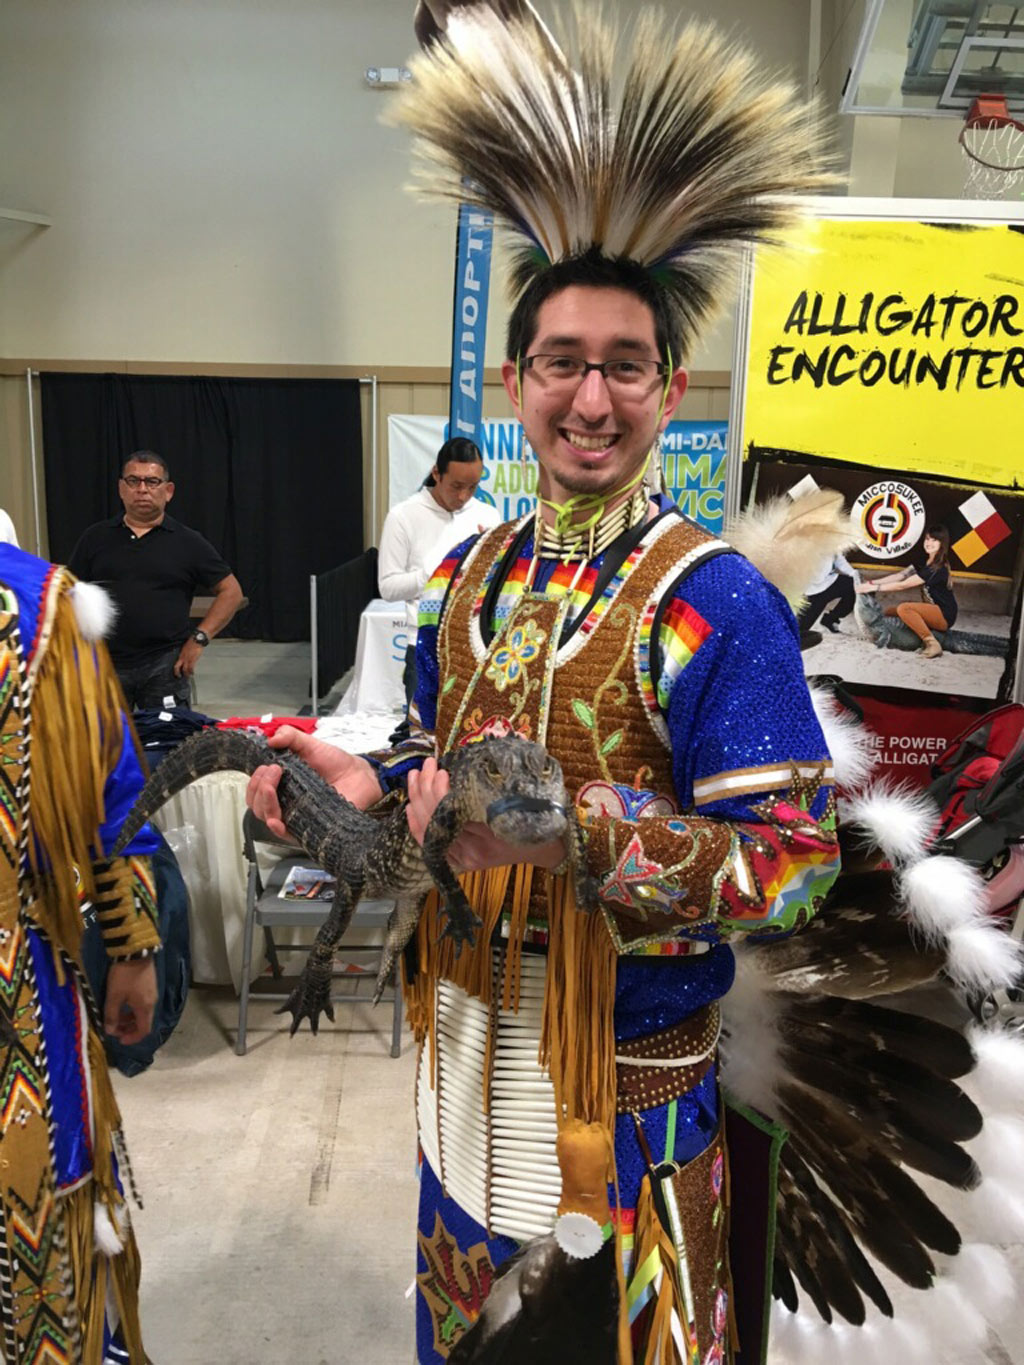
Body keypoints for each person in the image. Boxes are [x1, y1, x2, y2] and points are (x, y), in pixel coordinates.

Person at [247, 8, 838, 1361]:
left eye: (623, 366)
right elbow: (427, 764)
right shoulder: (477, 577)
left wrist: (583, 829)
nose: (591, 397)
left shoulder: (713, 602)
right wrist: (371, 790)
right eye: (562, 362)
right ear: (517, 378)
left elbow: (796, 867)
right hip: (463, 1064)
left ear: (667, 384)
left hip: (627, 1102)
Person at [0, 540, 162, 1362]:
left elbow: (109, 794)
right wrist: (131, 949)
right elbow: (115, 799)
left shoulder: (41, 608)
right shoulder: (41, 608)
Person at [69, 451, 244, 708]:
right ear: (121, 488)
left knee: (168, 745)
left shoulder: (188, 542)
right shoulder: (94, 538)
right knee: (106, 747)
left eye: (152, 482)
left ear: (168, 490)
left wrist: (199, 640)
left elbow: (231, 592)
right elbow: (69, 592)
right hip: (104, 664)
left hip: (166, 665)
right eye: (133, 481)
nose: (142, 489)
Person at [378, 437, 501, 712]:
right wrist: (435, 572)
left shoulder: (488, 515)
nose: (463, 496)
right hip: (424, 645)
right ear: (436, 474)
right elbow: (388, 587)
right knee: (423, 738)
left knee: (474, 737)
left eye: (472, 487)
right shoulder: (403, 516)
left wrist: (492, 563)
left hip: (474, 644)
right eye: (456, 486)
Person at [855, 525, 957, 658]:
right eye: (927, 539)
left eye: (934, 540)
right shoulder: (923, 560)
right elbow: (900, 576)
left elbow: (902, 585)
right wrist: (872, 583)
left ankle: (932, 643)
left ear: (942, 543)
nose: (929, 543)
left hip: (944, 615)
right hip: (933, 608)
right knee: (890, 611)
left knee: (904, 609)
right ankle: (879, 636)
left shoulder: (937, 568)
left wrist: (874, 589)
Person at [797, 550, 859, 646]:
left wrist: (854, 574)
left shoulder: (832, 541)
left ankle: (830, 620)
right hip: (811, 591)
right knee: (798, 632)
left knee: (856, 587)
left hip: (830, 581)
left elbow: (839, 559)